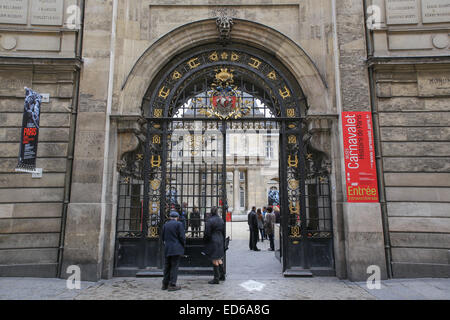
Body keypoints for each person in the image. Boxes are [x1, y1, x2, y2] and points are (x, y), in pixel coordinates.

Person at [161, 210, 186, 291]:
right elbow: (182, 237)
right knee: (174, 266)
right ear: (177, 218)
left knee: (167, 266)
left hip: (167, 248)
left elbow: (163, 237)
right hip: (176, 248)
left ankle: (165, 284)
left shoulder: (165, 225)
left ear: (170, 217)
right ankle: (172, 284)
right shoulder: (179, 224)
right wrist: (183, 245)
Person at [203, 207, 226, 284]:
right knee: (219, 258)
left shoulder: (210, 221)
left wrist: (205, 241)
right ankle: (222, 275)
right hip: (220, 240)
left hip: (213, 241)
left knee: (214, 259)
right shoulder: (221, 220)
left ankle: (216, 278)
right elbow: (223, 231)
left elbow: (207, 233)